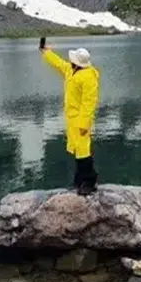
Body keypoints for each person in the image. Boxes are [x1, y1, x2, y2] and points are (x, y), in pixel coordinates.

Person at [40, 36, 100, 195]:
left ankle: (89, 181)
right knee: (79, 150)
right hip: (72, 118)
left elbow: (89, 103)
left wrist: (84, 124)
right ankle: (81, 180)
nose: (70, 61)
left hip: (80, 119)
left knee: (83, 151)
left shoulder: (88, 77)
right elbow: (58, 63)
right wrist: (46, 52)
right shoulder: (71, 70)